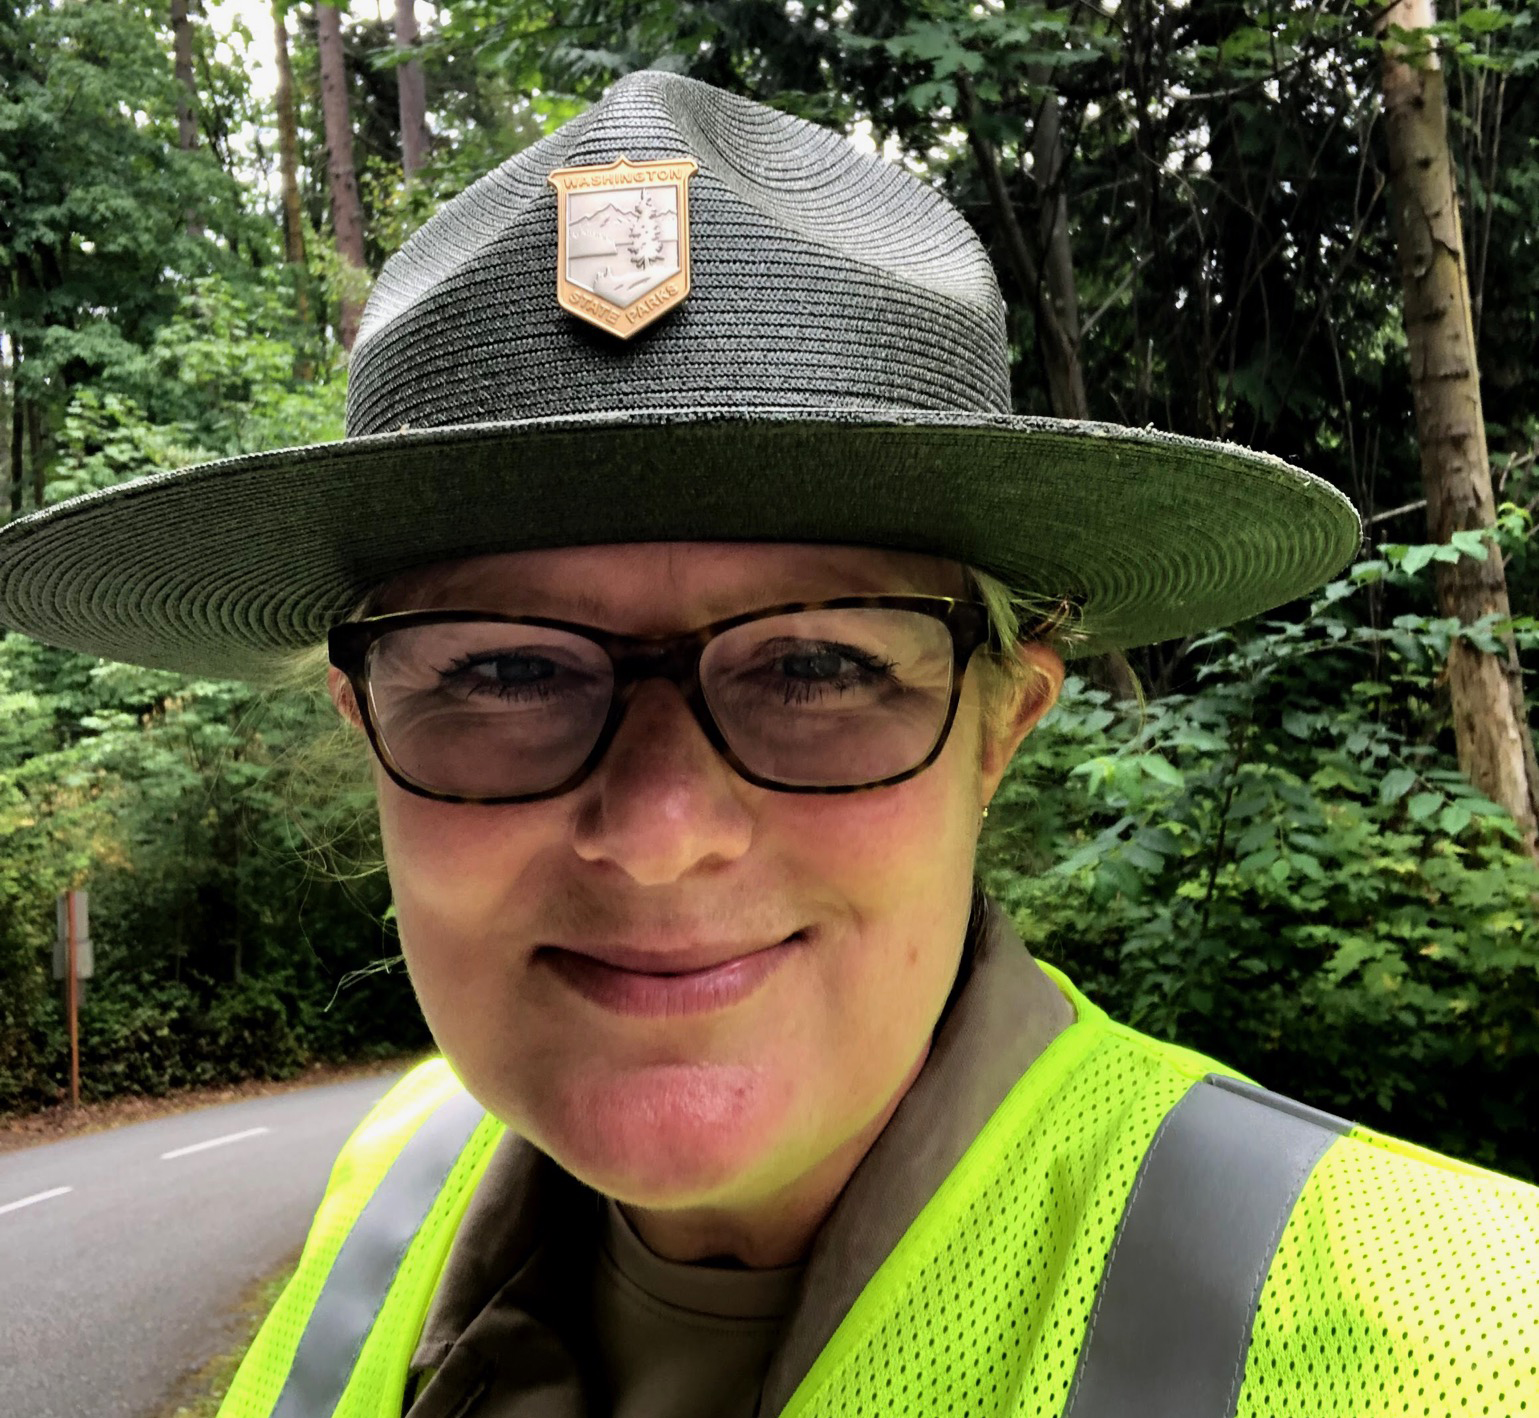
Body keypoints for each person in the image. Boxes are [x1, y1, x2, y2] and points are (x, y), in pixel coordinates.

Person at [1, 70, 1534, 1418]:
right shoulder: (399, 1171)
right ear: (367, 724)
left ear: (1001, 729)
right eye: (509, 671)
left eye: (815, 663)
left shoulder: (1462, 1340)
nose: (661, 826)